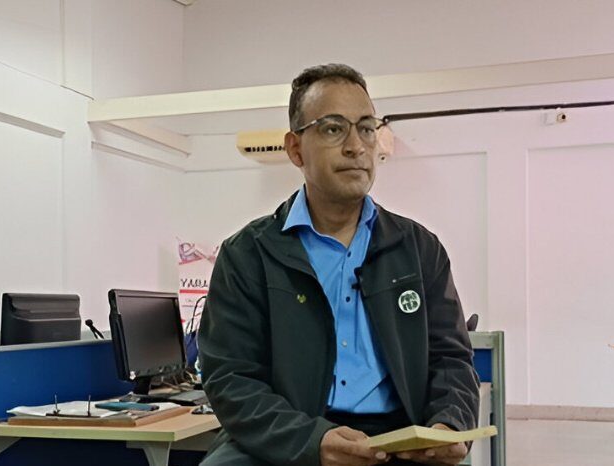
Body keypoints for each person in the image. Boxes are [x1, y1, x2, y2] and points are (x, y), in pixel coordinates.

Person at [198, 63, 480, 466]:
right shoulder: (248, 255)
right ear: (295, 148)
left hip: (401, 436)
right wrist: (313, 441)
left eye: (366, 128)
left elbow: (451, 359)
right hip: (291, 434)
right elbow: (230, 377)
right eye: (333, 129)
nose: (356, 146)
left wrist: (448, 423)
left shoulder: (418, 249)